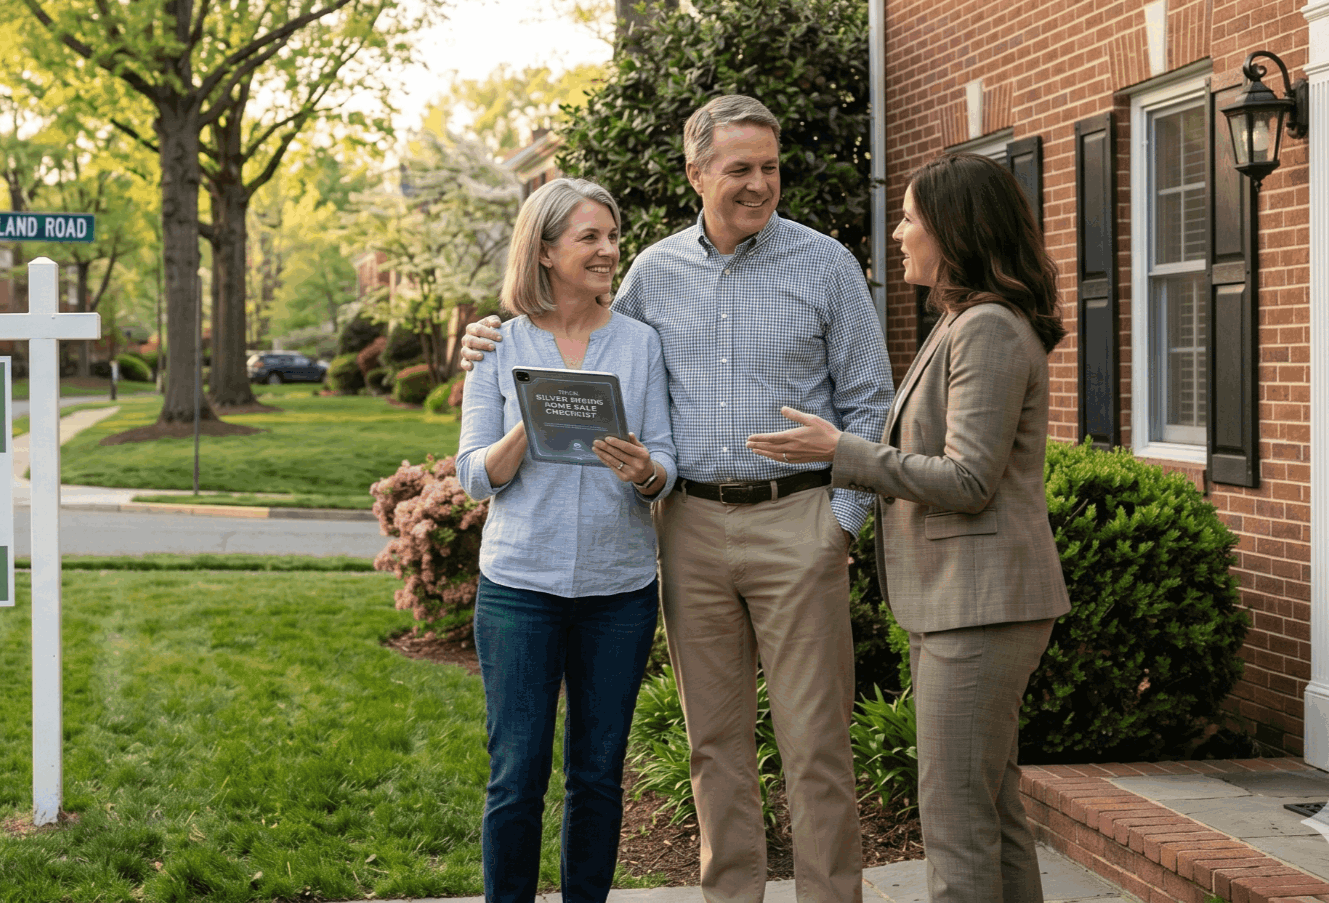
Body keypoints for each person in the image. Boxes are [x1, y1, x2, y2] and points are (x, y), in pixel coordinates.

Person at [462, 96, 893, 903]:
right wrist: (488, 341)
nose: (760, 184)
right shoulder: (653, 274)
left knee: (816, 746)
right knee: (715, 744)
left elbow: (872, 402)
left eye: (770, 167)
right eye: (740, 169)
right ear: (697, 173)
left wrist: (839, 523)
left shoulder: (826, 263)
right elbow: (581, 355)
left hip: (798, 520)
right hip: (687, 528)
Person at [746, 152, 1071, 903]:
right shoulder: (963, 320)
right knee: (991, 810)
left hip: (980, 606)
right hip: (966, 604)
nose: (898, 233)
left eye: (912, 220)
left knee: (957, 821)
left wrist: (842, 454)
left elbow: (968, 480)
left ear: (955, 231)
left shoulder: (986, 328)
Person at [456, 177, 677, 903]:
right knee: (516, 775)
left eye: (613, 236)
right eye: (591, 238)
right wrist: (533, 417)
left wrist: (648, 471)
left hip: (619, 593)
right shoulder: (498, 344)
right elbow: (473, 475)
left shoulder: (641, 344)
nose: (610, 250)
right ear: (546, 250)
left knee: (598, 775)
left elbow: (666, 462)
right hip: (520, 588)